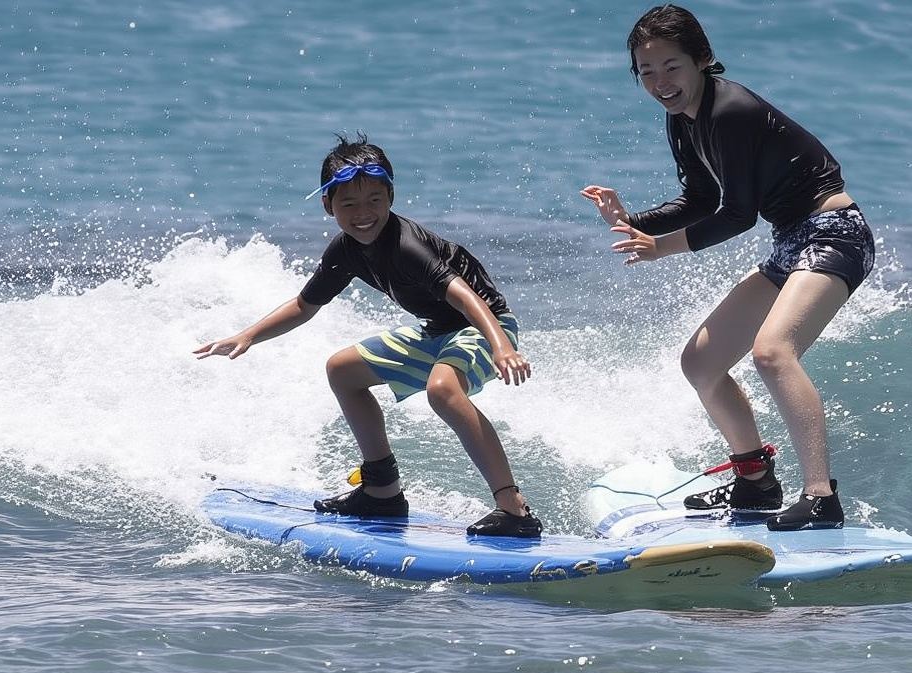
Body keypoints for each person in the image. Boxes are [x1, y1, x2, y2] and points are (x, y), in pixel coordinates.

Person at [579, 4, 876, 531]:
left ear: (701, 61)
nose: (660, 82)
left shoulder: (730, 111)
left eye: (671, 66)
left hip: (835, 234)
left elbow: (737, 215)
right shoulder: (683, 120)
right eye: (646, 71)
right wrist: (635, 222)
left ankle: (820, 497)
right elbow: (699, 198)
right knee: (700, 363)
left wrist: (660, 249)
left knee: (772, 352)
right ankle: (755, 481)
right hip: (792, 243)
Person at [196, 135, 544, 538]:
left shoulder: (407, 244)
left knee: (442, 389)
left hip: (485, 324)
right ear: (328, 206)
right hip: (438, 330)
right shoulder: (345, 251)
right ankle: (382, 490)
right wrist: (248, 336)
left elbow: (466, 298)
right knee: (343, 370)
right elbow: (304, 306)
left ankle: (514, 509)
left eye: (374, 200)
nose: (363, 214)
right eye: (349, 204)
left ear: (390, 197)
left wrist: (501, 346)